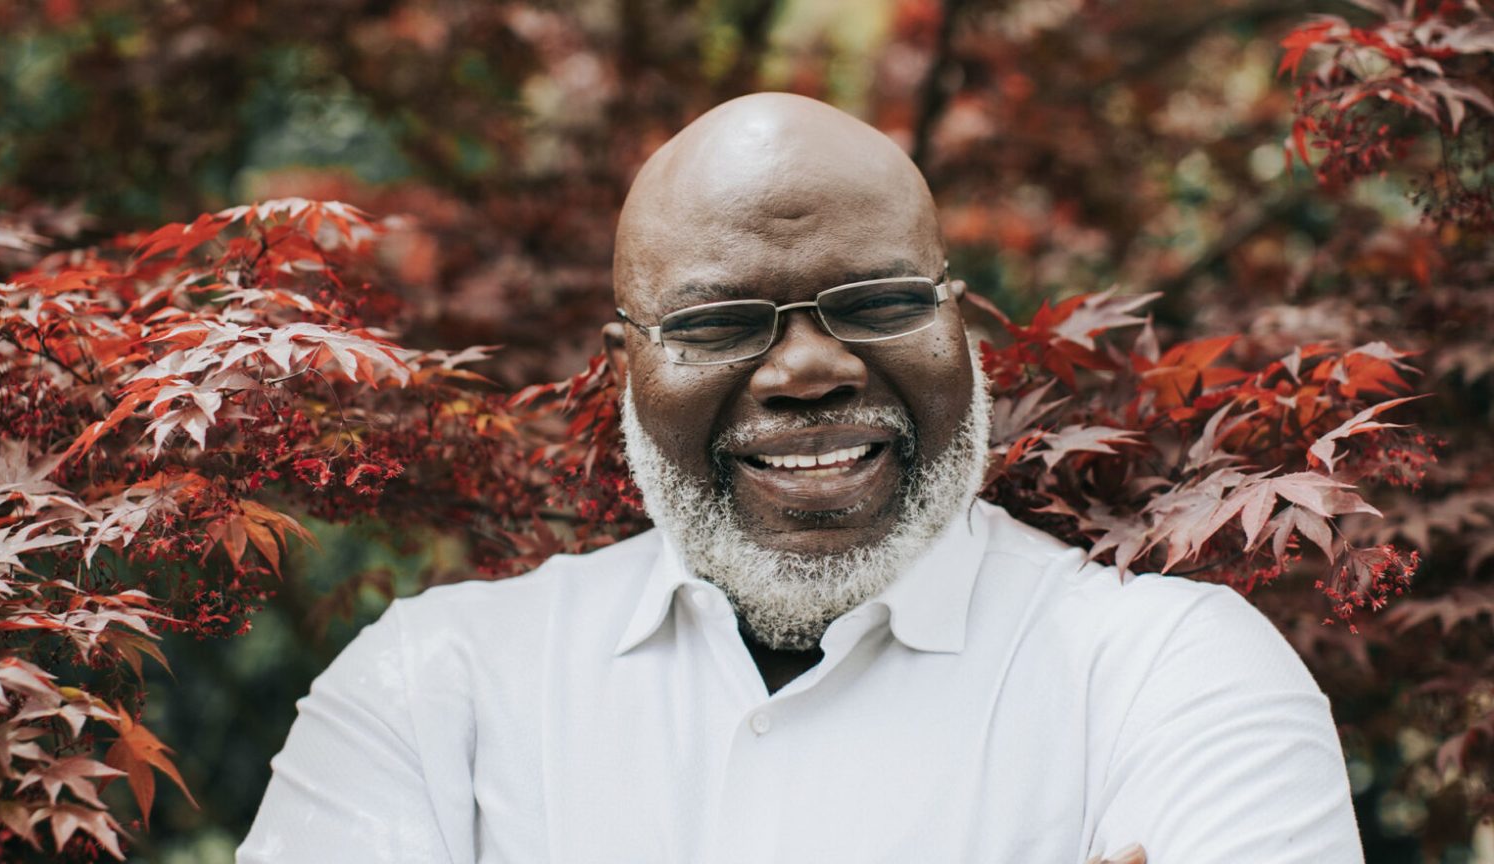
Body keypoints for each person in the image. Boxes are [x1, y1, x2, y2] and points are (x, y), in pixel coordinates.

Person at [238, 93, 1362, 863]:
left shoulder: (1173, 678)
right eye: (719, 322)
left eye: (879, 303)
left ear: (958, 325)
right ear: (627, 366)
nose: (809, 370)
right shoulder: (435, 688)